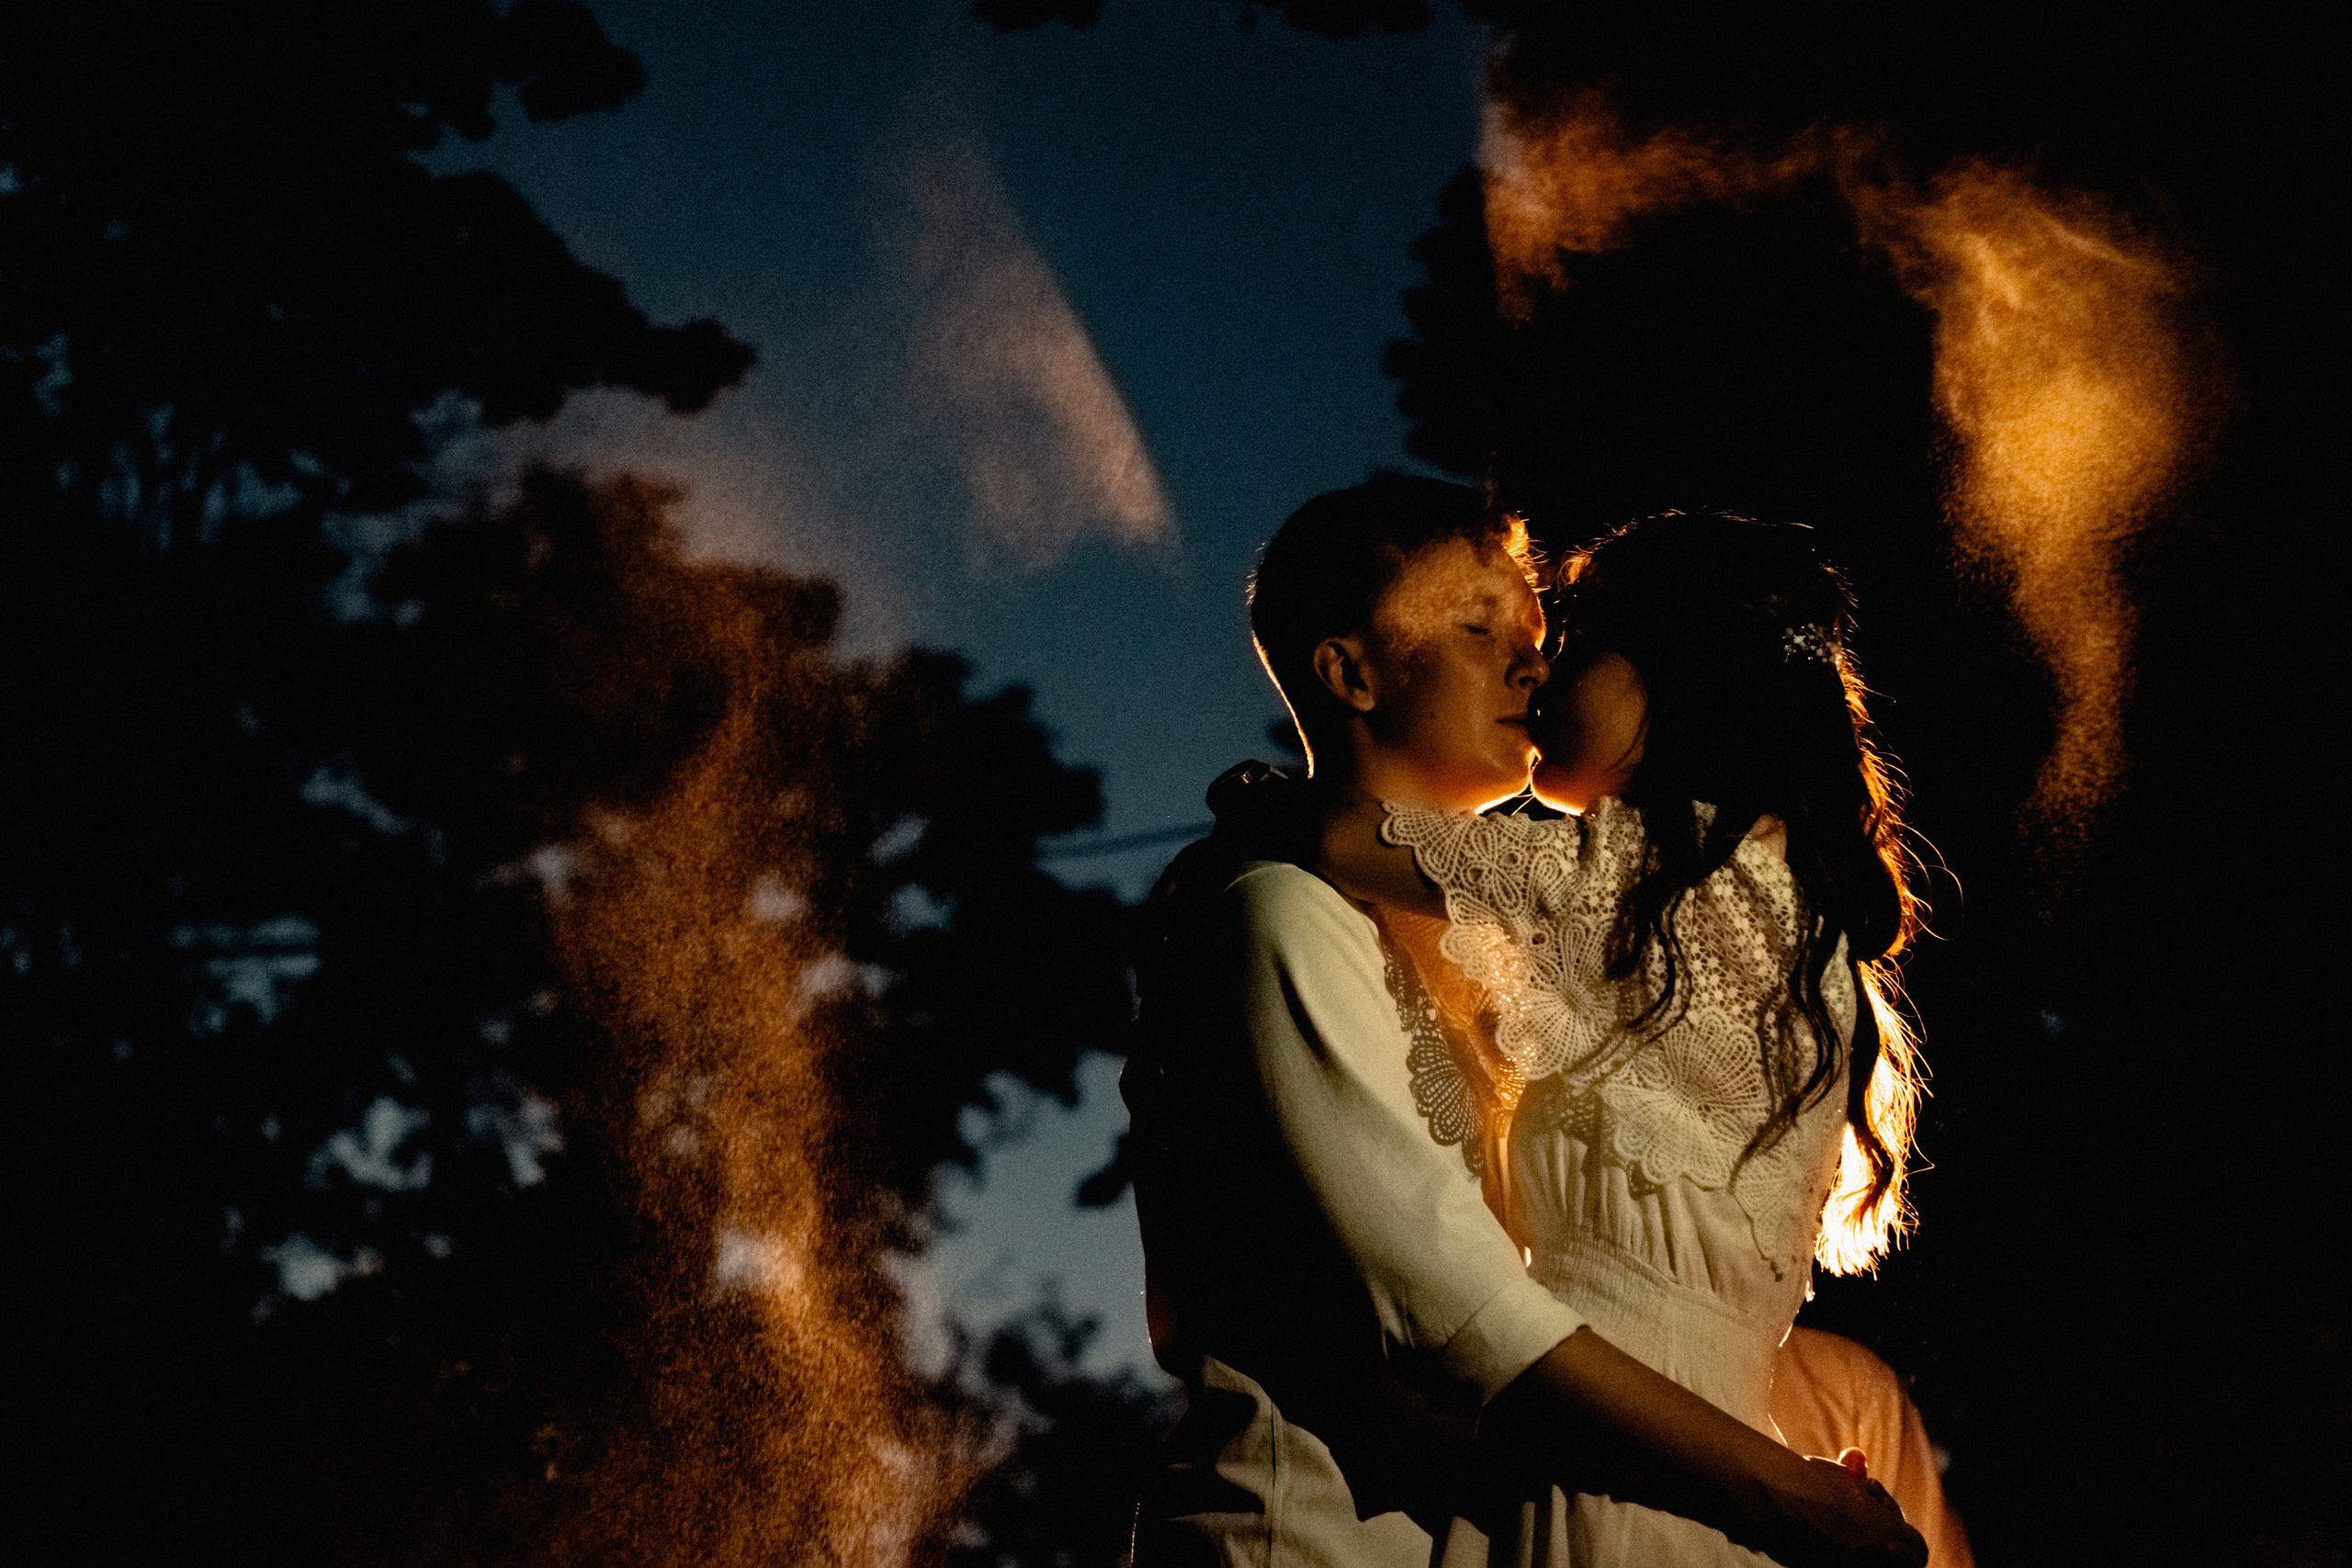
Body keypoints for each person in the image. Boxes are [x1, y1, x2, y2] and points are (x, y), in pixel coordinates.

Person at [1126, 479, 1927, 1567]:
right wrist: (1773, 1488)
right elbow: (1453, 1305)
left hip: (1541, 1510)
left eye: (1549, 637)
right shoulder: (1284, 913)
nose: (1533, 667)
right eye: (1479, 629)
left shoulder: (1567, 935)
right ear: (1350, 673)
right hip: (1307, 1544)